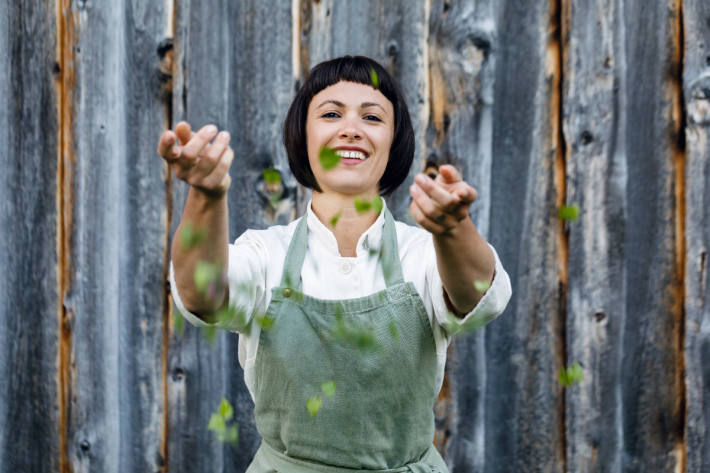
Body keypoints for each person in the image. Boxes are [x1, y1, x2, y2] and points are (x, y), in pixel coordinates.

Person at [157, 55, 512, 472]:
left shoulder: (424, 254)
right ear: (303, 136)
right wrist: (206, 196)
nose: (351, 129)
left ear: (394, 141)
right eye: (330, 113)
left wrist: (454, 231)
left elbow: (477, 295)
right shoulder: (264, 253)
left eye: (372, 117)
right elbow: (203, 294)